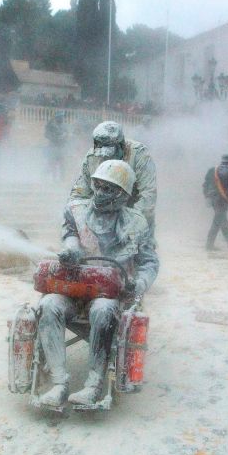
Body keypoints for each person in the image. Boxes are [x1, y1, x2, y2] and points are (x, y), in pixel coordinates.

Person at [36, 160, 159, 407]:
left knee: (103, 310)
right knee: (49, 304)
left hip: (112, 293)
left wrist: (139, 283)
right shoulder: (76, 210)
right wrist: (71, 250)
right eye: (98, 186)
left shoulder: (137, 223)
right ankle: (59, 383)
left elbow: (149, 263)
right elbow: (70, 236)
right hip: (75, 288)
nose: (101, 193)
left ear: (123, 195)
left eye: (109, 189)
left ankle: (93, 386)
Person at [70, 121, 157, 240]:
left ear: (121, 145)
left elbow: (148, 195)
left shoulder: (139, 154)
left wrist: (131, 227)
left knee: (141, 252)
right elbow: (79, 195)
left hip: (134, 212)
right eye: (102, 153)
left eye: (110, 153)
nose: (106, 157)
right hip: (102, 217)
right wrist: (81, 225)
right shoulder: (91, 158)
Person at [44, 111, 69, 181]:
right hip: (53, 147)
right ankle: (53, 178)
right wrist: (55, 137)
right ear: (57, 118)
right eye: (60, 117)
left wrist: (64, 137)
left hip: (61, 147)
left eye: (62, 117)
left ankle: (62, 178)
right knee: (52, 163)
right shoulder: (51, 125)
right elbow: (46, 135)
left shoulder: (64, 126)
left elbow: (67, 135)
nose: (62, 118)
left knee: (62, 164)